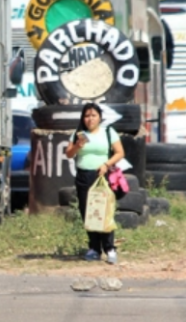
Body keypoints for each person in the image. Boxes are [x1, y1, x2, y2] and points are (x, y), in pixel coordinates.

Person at [64, 102, 126, 265]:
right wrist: (78, 145)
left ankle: (110, 248)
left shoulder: (108, 132)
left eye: (93, 115)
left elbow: (120, 152)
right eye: (87, 116)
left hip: (102, 175)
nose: (90, 119)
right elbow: (69, 154)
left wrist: (106, 165)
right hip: (84, 176)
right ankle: (94, 248)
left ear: (99, 117)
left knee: (104, 211)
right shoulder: (78, 134)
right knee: (87, 212)